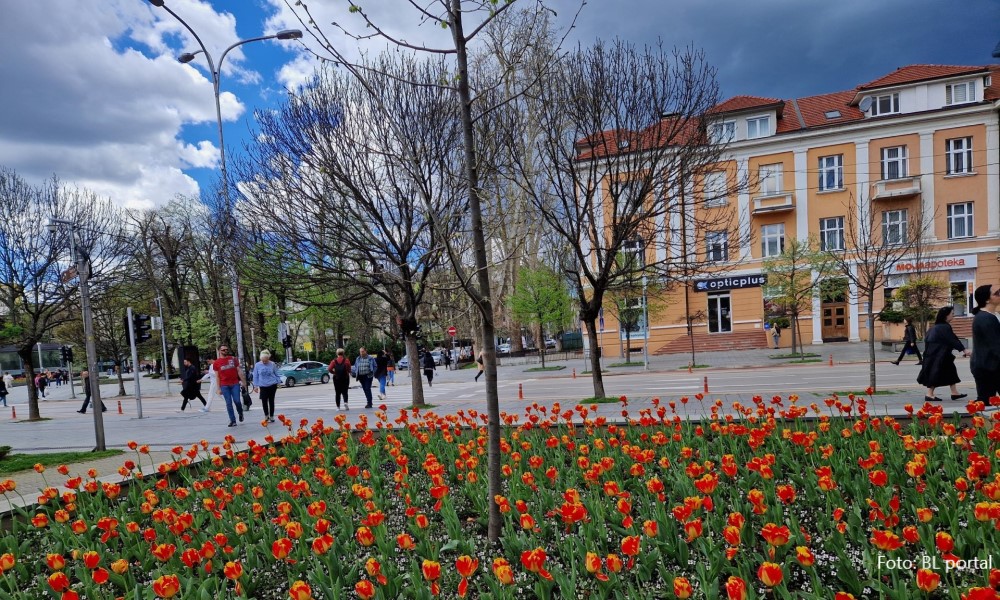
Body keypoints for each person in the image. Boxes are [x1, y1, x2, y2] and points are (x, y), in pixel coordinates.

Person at [916, 306, 969, 402]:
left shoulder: (935, 327)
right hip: (939, 355)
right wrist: (964, 350)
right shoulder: (944, 327)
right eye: (952, 314)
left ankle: (954, 393)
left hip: (936, 354)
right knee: (936, 373)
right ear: (946, 315)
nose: (953, 315)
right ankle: (929, 394)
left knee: (951, 371)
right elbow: (952, 339)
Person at [970, 284, 1000, 403]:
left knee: (986, 402)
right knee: (985, 402)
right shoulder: (984, 318)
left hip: (991, 365)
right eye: (997, 293)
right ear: (987, 300)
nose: (999, 294)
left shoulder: (993, 315)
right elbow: (995, 345)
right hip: (988, 366)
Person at [212, 344, 246, 427]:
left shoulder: (233, 359)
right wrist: (218, 388)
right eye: (223, 350)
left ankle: (240, 412)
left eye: (226, 349)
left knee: (237, 401)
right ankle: (233, 420)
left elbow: (239, 371)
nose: (225, 351)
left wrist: (244, 382)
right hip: (224, 385)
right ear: (219, 351)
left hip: (235, 384)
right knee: (228, 403)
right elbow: (217, 376)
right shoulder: (216, 363)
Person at [251, 350, 281, 423]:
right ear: (261, 359)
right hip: (263, 386)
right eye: (263, 360)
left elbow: (276, 373)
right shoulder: (257, 365)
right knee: (264, 401)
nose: (264, 362)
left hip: (272, 385)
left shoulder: (272, 364)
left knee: (271, 401)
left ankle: (272, 416)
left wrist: (278, 382)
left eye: (266, 360)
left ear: (268, 358)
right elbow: (255, 376)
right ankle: (266, 415)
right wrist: (255, 386)